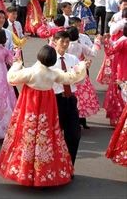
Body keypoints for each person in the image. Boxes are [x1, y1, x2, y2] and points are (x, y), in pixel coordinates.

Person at [0, 45, 87, 186]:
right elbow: (71, 77)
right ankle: (45, 173)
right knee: (47, 136)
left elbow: (11, 78)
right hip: (47, 108)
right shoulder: (53, 73)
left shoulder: (30, 72)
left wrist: (17, 64)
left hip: (29, 107)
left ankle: (25, 171)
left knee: (27, 135)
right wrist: (81, 65)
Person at [51, 31, 85, 165]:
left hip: (70, 99)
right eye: (62, 42)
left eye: (67, 42)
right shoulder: (49, 58)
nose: (65, 44)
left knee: (74, 135)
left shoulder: (73, 59)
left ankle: (69, 165)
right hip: (54, 99)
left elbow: (80, 81)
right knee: (54, 135)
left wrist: (81, 72)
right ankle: (54, 167)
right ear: (55, 41)